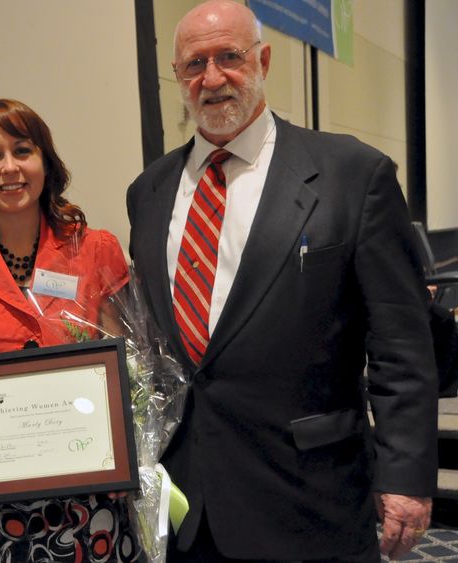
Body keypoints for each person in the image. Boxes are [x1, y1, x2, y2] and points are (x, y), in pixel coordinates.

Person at [126, 1, 438, 561]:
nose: (213, 78)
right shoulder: (148, 192)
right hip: (188, 504)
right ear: (177, 77)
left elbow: (401, 344)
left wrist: (406, 476)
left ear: (264, 60)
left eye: (230, 57)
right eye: (195, 64)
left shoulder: (352, 175)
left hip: (309, 498)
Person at [0, 98, 144, 562]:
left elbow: (124, 363)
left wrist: (126, 457)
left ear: (46, 162)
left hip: (87, 502)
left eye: (22, 150)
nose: (9, 167)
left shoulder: (95, 251)